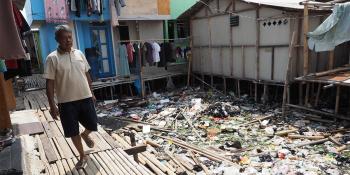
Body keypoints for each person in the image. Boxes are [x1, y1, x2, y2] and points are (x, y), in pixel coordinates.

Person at [44, 25, 97, 169]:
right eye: (64, 37)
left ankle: (85, 135)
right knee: (72, 131)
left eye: (70, 37)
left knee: (93, 124)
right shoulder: (52, 58)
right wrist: (52, 105)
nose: (68, 40)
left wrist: (91, 93)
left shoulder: (79, 53)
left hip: (85, 97)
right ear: (57, 39)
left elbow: (87, 74)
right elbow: (49, 83)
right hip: (66, 103)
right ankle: (82, 155)